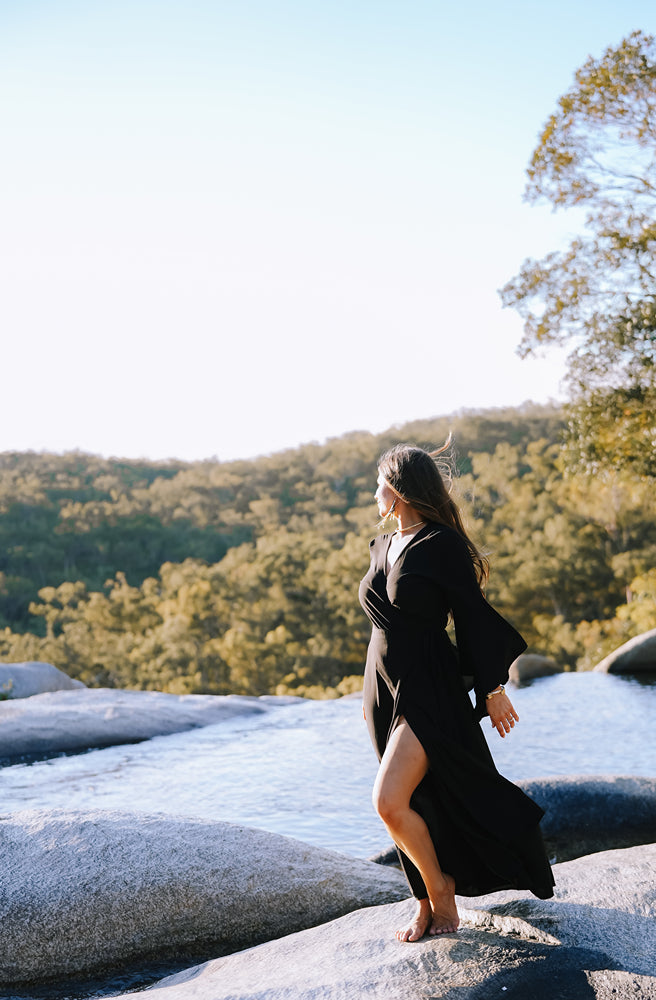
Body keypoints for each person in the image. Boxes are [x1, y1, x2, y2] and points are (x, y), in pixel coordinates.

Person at [358, 442, 554, 943]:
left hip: (428, 686)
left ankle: (443, 891)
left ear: (398, 489)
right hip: (381, 686)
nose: (374, 490)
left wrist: (491, 687)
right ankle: (423, 901)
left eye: (380, 481)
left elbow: (471, 615)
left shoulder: (441, 545)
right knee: (413, 801)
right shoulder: (382, 547)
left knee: (388, 801)